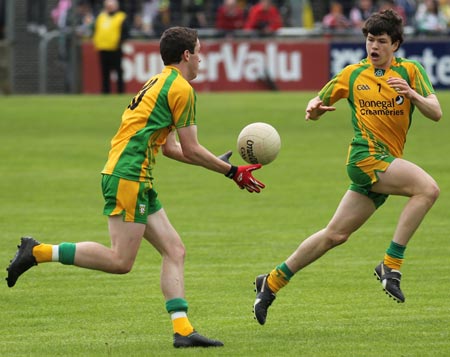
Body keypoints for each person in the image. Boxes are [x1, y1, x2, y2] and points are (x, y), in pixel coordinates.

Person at [6, 26, 265, 348]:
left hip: (134, 175)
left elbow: (171, 148)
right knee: (120, 261)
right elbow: (192, 148)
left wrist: (218, 165)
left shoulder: (159, 81)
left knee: (175, 250)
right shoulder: (182, 89)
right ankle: (39, 251)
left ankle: (183, 331)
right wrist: (232, 172)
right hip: (128, 176)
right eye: (199, 52)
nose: (202, 59)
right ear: (187, 55)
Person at [253, 9, 442, 325]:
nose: (374, 47)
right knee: (427, 189)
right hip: (365, 158)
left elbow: (435, 112)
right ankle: (391, 265)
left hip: (384, 163)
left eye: (382, 41)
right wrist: (313, 108)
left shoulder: (411, 71)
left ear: (395, 44)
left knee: (334, 235)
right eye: (370, 40)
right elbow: (319, 100)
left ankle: (271, 282)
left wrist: (411, 94)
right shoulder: (353, 74)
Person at [92, 0, 128, 94]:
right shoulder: (101, 17)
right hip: (103, 48)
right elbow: (96, 30)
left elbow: (125, 32)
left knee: (118, 71)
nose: (109, 8)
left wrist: (119, 42)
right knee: (104, 72)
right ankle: (105, 91)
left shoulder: (121, 17)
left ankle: (120, 91)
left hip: (115, 48)